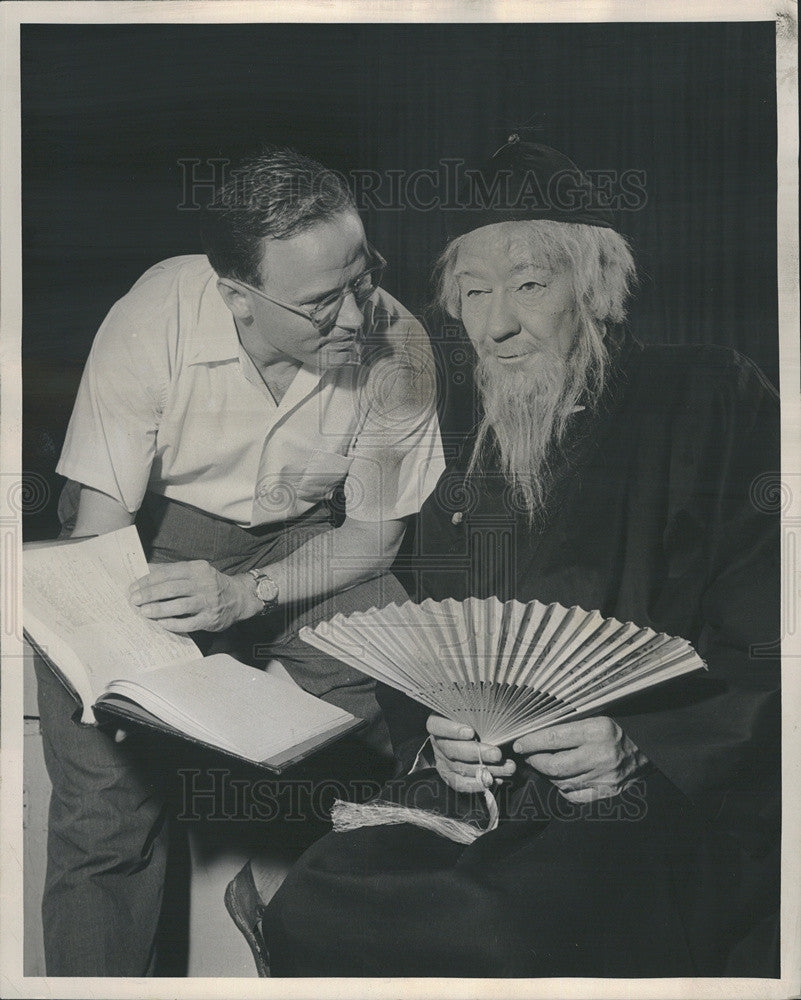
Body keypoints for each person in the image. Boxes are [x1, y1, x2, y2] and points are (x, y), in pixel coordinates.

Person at [246, 139, 780, 977]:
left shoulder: (710, 396)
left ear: (596, 290)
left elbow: (773, 632)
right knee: (312, 906)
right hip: (483, 791)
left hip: (654, 792)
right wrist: (439, 734)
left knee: (505, 933)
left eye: (529, 286)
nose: (494, 325)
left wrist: (643, 742)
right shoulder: (452, 442)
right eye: (472, 292)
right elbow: (423, 637)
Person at [35, 146, 444, 975]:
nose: (358, 319)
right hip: (146, 538)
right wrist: (119, 663)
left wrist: (244, 595)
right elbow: (98, 524)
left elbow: (373, 539)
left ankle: (336, 946)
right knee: (105, 808)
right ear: (238, 299)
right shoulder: (155, 316)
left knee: (408, 694)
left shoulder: (397, 346)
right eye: (322, 303)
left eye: (362, 279)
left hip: (307, 541)